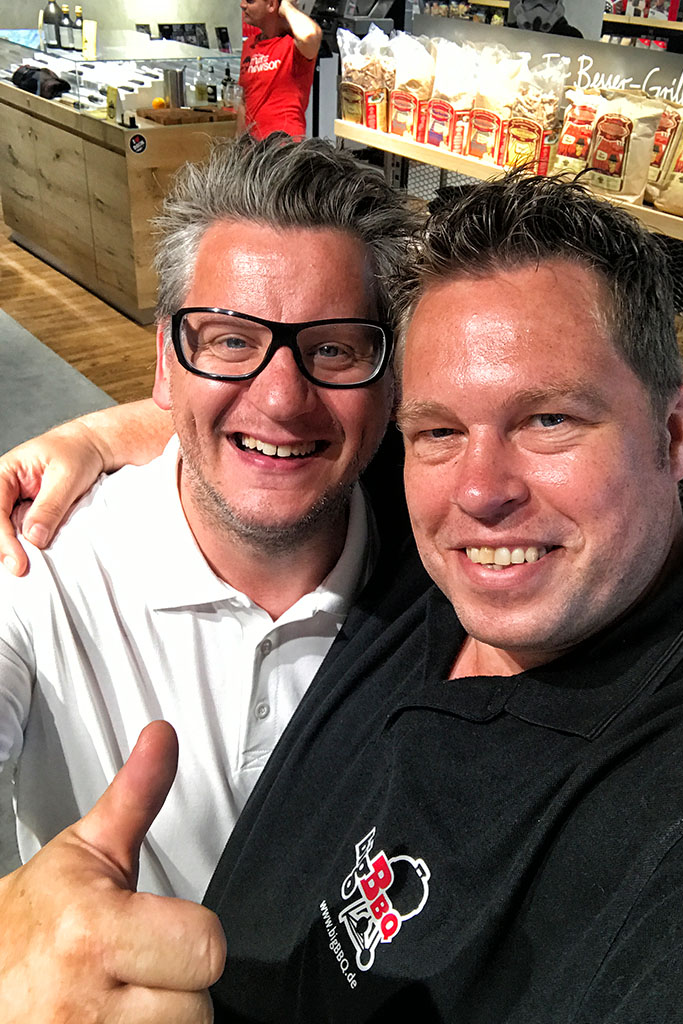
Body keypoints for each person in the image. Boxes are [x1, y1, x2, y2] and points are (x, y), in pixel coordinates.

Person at [3, 175, 683, 1021]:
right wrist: (90, 437)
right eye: (439, 429)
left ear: (674, 433)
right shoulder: (415, 550)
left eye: (548, 420)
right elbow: (260, 429)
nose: (478, 492)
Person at [0, 133, 421, 1019]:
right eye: (230, 340)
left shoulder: (451, 582)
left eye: (334, 350)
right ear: (166, 360)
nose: (281, 398)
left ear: (392, 381)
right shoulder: (33, 567)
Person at [238, 0, 322, 139]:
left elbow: (310, 35)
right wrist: (239, 143)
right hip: (254, 147)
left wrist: (287, 6)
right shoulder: (249, 45)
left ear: (271, 5)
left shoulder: (293, 45)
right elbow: (244, 101)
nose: (242, 5)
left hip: (284, 145)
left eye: (250, 1)